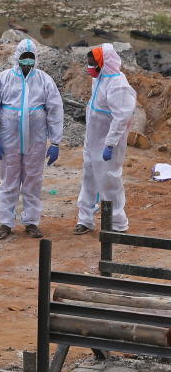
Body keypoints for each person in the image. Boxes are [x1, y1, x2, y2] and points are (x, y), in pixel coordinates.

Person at [0, 38, 64, 240]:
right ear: (17, 58)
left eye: (30, 58)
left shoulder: (45, 80)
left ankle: (31, 222)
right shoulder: (3, 79)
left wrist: (55, 142)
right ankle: (5, 222)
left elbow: (55, 111)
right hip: (9, 140)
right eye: (23, 58)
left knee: (33, 181)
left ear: (35, 58)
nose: (27, 62)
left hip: (35, 140)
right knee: (8, 181)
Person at [75, 43, 137, 235]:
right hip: (93, 139)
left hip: (108, 143)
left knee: (109, 181)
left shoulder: (118, 85)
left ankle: (118, 223)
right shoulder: (100, 79)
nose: (89, 67)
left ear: (102, 63)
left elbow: (121, 118)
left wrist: (110, 144)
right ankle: (85, 219)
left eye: (92, 64)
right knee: (89, 178)